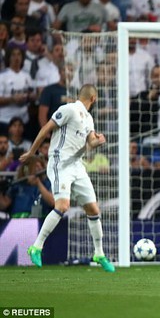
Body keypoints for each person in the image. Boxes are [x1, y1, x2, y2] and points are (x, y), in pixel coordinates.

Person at [20, 84, 115, 272]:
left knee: (93, 209)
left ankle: (99, 253)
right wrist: (32, 151)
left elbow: (91, 142)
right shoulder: (68, 109)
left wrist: (99, 141)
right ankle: (36, 247)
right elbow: (47, 128)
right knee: (63, 206)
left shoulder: (88, 119)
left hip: (77, 165)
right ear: (94, 99)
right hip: (60, 162)